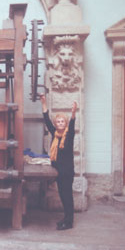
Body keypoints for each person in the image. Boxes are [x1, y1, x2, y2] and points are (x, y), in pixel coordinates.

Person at [40, 93, 77, 230]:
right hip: (59, 171)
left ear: (65, 123)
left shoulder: (69, 135)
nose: (60, 123)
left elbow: (72, 126)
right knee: (62, 195)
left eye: (62, 121)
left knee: (67, 196)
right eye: (58, 122)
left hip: (67, 171)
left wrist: (73, 113)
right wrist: (43, 103)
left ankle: (69, 222)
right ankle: (66, 218)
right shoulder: (55, 134)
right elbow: (46, 120)